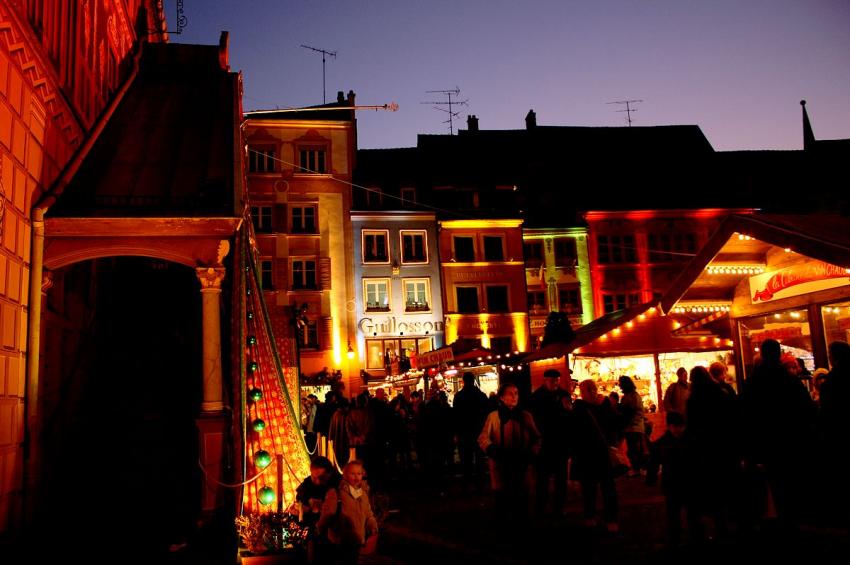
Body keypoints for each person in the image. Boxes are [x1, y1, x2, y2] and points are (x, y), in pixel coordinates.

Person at [478, 382, 541, 524]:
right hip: (501, 467)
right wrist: (492, 449)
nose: (514, 397)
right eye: (510, 394)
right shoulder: (494, 417)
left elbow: (537, 438)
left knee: (522, 505)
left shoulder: (525, 416)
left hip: (522, 467)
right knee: (502, 504)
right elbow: (483, 437)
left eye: (516, 393)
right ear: (501, 397)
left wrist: (531, 453)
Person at [571, 379, 621, 532]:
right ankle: (590, 516)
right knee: (589, 488)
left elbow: (614, 424)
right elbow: (576, 430)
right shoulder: (579, 408)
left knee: (608, 488)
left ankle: (610, 519)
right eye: (588, 389)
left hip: (603, 453)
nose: (592, 392)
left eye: (593, 388)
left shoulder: (604, 405)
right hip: (587, 454)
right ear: (582, 392)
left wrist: (606, 406)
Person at [645, 411, 698, 547]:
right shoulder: (662, 444)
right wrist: (651, 478)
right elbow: (653, 462)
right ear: (669, 426)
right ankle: (675, 539)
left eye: (681, 426)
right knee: (673, 515)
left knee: (692, 514)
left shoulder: (691, 440)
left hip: (688, 483)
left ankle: (695, 537)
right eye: (676, 426)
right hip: (672, 485)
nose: (679, 429)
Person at [317, 460, 379, 565]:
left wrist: (372, 525)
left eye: (359, 474)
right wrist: (320, 528)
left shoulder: (363, 494)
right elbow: (327, 514)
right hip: (340, 541)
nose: (356, 477)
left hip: (358, 540)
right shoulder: (336, 493)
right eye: (352, 474)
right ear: (345, 475)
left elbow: (368, 514)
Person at [530, 368, 573, 516]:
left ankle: (559, 508)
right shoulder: (536, 397)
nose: (555, 383)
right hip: (544, 442)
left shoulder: (563, 395)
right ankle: (541, 507)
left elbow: (569, 416)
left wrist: (567, 410)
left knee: (561, 479)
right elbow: (533, 420)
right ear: (545, 380)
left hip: (560, 443)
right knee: (543, 478)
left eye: (557, 381)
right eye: (552, 380)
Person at [453, 372, 490, 490]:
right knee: (480, 460)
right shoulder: (481, 396)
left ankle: (467, 484)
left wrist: (456, 433)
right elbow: (486, 415)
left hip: (464, 432)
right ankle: (480, 484)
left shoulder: (459, 396)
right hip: (478, 431)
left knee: (466, 460)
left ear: (463, 381)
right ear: (474, 380)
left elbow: (456, 416)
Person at [618, 376, 647, 477]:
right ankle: (639, 468)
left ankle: (637, 468)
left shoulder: (630, 397)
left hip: (633, 427)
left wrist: (627, 422)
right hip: (635, 427)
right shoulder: (633, 395)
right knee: (635, 449)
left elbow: (632, 412)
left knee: (634, 449)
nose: (619, 385)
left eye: (620, 383)